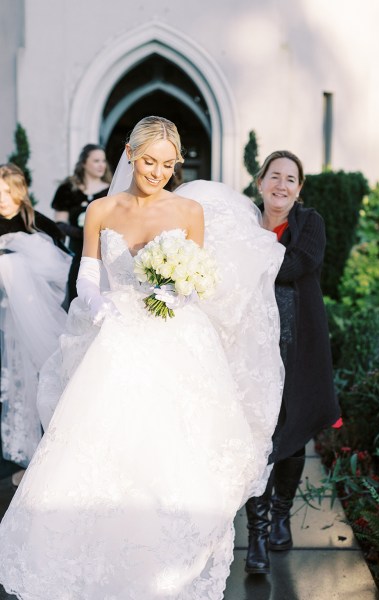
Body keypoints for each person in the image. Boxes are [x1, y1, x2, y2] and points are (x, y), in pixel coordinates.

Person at [0, 117, 285, 599]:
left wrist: (177, 294)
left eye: (167, 165)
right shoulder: (101, 209)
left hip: (177, 341)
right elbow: (87, 274)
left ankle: (167, 569)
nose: (156, 172)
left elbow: (198, 278)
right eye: (149, 161)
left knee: (171, 455)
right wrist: (96, 302)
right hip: (114, 336)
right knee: (104, 456)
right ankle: (106, 566)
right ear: (129, 153)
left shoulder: (190, 210)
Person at [245, 150, 341, 574]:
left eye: (291, 179)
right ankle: (258, 536)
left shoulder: (309, 223)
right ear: (260, 181)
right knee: (253, 437)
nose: (282, 185)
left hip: (298, 343)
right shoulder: (242, 221)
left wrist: (249, 259)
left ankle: (281, 513)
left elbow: (301, 263)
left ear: (299, 189)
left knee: (293, 431)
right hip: (250, 346)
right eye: (275, 176)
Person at [0, 164, 71, 486]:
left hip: (33, 317)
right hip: (5, 319)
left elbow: (62, 263)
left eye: (8, 191)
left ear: (20, 191)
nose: (3, 199)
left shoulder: (35, 221)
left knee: (42, 380)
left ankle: (44, 459)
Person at [52, 143, 112, 303]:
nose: (101, 165)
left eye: (103, 161)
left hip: (103, 253)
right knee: (76, 294)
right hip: (76, 252)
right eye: (96, 161)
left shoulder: (111, 191)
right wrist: (84, 232)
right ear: (84, 163)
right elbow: (59, 223)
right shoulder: (67, 189)